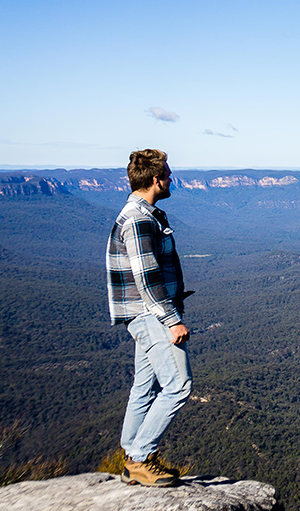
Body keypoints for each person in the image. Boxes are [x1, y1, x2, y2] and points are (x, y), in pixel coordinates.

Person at [106, 149, 193, 487]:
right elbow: (147, 278)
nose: (172, 180)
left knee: (144, 386)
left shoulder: (141, 213)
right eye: (168, 175)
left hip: (144, 316)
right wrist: (172, 320)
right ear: (156, 180)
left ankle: (132, 458)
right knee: (178, 386)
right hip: (152, 315)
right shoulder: (140, 219)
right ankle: (142, 456)